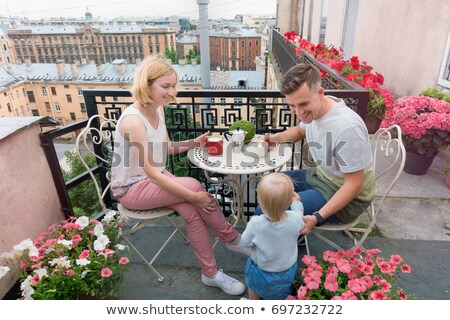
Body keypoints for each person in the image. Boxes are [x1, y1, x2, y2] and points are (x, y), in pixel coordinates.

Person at [111, 56, 245, 296]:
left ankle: (211, 274)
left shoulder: (157, 110)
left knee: (192, 211)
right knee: (193, 186)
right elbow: (151, 172)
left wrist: (195, 142)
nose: (171, 92)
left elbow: (167, 147)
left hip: (155, 180)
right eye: (165, 86)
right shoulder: (133, 121)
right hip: (132, 189)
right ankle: (232, 239)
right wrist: (194, 196)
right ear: (146, 84)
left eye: (173, 86)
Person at [260, 63, 376, 235]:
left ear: (320, 93)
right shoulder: (316, 109)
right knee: (266, 188)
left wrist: (317, 217)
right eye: (292, 105)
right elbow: (300, 130)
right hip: (319, 177)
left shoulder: (347, 127)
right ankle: (288, 239)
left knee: (270, 212)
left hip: (348, 198)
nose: (298, 112)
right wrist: (274, 139)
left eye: (303, 104)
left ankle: (279, 255)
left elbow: (354, 185)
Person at [227, 173, 304, 300]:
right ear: (289, 200)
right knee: (281, 294)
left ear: (260, 202)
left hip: (262, 270)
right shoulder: (295, 220)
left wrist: (252, 221)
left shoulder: (256, 223)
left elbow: (245, 242)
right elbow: (299, 214)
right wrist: (297, 203)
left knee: (254, 286)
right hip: (286, 270)